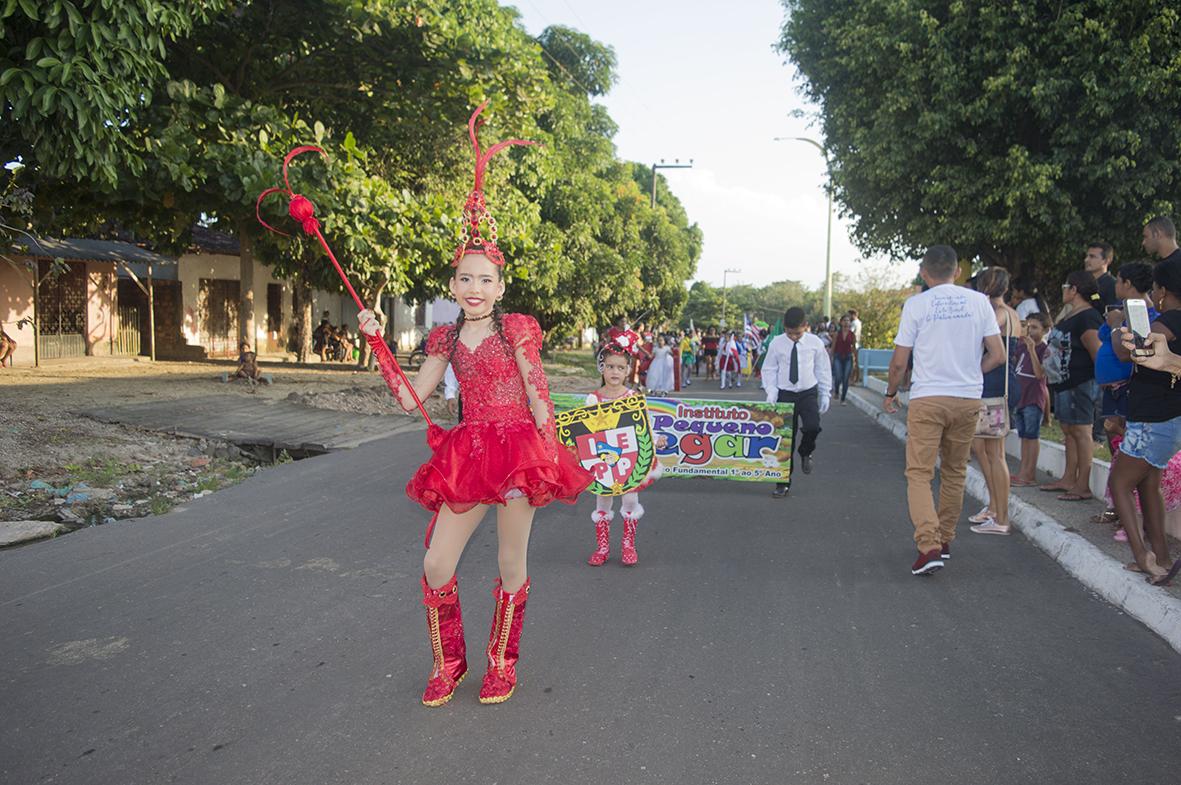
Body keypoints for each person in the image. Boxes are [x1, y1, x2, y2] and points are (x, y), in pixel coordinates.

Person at [357, 104, 591, 707]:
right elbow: (413, 400)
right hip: (467, 453)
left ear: (500, 286)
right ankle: (449, 662)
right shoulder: (442, 337)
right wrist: (378, 343)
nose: (475, 288)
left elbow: (537, 390)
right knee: (437, 564)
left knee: (511, 565)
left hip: (516, 451)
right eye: (465, 279)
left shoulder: (517, 327)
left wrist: (548, 443)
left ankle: (501, 663)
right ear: (452, 283)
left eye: (485, 279)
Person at [883, 245, 1004, 576]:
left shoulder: (916, 305)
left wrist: (891, 393)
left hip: (928, 398)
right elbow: (998, 354)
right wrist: (971, 374)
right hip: (967, 399)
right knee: (955, 471)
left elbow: (899, 361)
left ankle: (929, 545)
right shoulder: (979, 302)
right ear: (958, 272)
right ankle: (945, 540)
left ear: (924, 273)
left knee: (920, 473)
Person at [1107, 260, 1181, 584]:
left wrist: (1115, 326)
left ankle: (1143, 556)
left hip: (1153, 420)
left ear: (1162, 291)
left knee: (1119, 484)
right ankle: (1162, 556)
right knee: (1149, 485)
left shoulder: (1169, 322)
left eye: (1155, 289)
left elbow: (1131, 352)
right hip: (1166, 419)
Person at [584, 340, 666, 566]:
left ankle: (628, 545)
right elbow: (584, 429)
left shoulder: (633, 398)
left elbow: (645, 425)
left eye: (620, 368)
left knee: (630, 498)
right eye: (610, 366)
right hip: (602, 459)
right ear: (602, 367)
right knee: (603, 500)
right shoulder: (593, 399)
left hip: (629, 458)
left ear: (628, 371)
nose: (614, 372)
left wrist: (656, 438)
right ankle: (602, 547)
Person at [967, 267, 1023, 536]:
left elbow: (995, 355)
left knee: (996, 454)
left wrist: (972, 371)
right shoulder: (1012, 313)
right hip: (999, 387)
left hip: (994, 388)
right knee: (987, 451)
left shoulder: (996, 314)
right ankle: (994, 509)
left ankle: (1001, 518)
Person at [1040, 271, 1103, 501]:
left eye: (1065, 286)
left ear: (1074, 289)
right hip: (1065, 383)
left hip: (1080, 383)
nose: (1063, 290)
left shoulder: (1088, 317)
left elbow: (1096, 352)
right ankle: (1069, 478)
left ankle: (1082, 485)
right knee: (1069, 430)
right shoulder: (1071, 315)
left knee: (1081, 431)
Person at [762, 307, 833, 498]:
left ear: (806, 326)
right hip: (785, 394)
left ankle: (806, 451)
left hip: (807, 392)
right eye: (789, 333)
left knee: (812, 427)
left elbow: (823, 368)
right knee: (786, 440)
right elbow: (769, 368)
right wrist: (771, 391)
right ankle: (782, 482)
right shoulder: (777, 343)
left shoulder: (815, 343)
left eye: (798, 333)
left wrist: (825, 393)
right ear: (784, 328)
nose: (793, 337)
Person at [1010, 313, 1051, 487]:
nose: (1031, 331)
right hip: (1021, 396)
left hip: (1034, 397)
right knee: (1023, 436)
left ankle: (1030, 474)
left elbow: (1039, 373)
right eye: (1029, 326)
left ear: (1045, 330)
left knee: (1032, 436)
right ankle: (1022, 472)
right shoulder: (1021, 346)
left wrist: (1033, 349)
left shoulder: (1044, 349)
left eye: (1035, 327)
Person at [831, 315, 856, 405]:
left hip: (848, 357)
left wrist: (856, 360)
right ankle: (837, 391)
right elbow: (833, 346)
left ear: (850, 323)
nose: (846, 322)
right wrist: (831, 358)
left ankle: (843, 399)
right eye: (844, 320)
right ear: (841, 322)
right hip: (838, 356)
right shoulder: (837, 334)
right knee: (838, 376)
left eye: (848, 320)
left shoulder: (852, 335)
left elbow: (853, 348)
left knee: (845, 378)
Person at [1084, 241, 1118, 309]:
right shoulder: (1083, 283)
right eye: (1087, 256)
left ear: (1106, 261)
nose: (1086, 260)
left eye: (1092, 257)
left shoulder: (1112, 285)